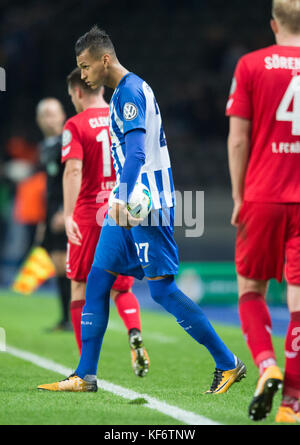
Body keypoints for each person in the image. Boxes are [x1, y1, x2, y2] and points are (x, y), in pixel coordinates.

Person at [38, 25, 246, 394]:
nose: (83, 76)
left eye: (85, 67)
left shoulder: (131, 91)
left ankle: (227, 362)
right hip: (129, 203)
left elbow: (136, 153)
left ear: (105, 60)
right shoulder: (127, 91)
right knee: (97, 281)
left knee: (163, 291)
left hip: (144, 205)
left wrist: (120, 197)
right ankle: (85, 375)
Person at [226, 0, 300, 423]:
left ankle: (265, 363)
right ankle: (291, 405)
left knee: (251, 290)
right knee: (298, 303)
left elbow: (238, 139)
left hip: (263, 194)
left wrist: (238, 196)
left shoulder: (251, 64)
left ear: (273, 24)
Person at [61, 67, 149, 376]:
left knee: (79, 287)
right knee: (122, 288)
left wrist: (69, 214)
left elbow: (73, 171)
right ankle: (134, 331)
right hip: (119, 210)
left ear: (78, 92)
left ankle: (85, 367)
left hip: (88, 215)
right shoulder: (120, 116)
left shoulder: (75, 124)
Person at [36, 98, 72, 331]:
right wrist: (44, 218)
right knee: (59, 264)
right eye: (44, 114)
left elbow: (73, 175)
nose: (49, 118)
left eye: (53, 113)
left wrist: (65, 211)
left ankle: (78, 317)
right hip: (51, 211)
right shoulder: (45, 146)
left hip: (67, 209)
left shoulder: (66, 141)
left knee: (71, 264)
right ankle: (65, 318)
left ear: (62, 116)